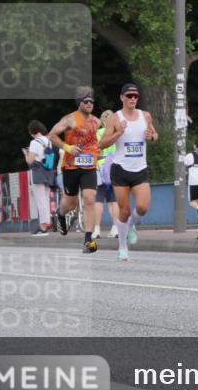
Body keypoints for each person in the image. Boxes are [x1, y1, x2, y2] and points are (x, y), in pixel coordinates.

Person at [98, 83, 158, 262]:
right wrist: (118, 133)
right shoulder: (114, 119)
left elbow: (154, 135)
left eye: (135, 96)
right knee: (123, 211)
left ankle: (131, 226)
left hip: (140, 168)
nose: (132, 99)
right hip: (120, 169)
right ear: (122, 97)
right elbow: (102, 144)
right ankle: (122, 248)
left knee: (142, 207)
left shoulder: (145, 115)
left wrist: (152, 137)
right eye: (129, 96)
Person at [48, 87, 101, 253]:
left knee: (89, 198)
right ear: (79, 102)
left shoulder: (97, 122)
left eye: (92, 101)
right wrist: (67, 147)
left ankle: (88, 240)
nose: (89, 103)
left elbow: (97, 141)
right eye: (86, 101)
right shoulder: (70, 119)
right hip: (71, 166)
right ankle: (61, 214)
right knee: (71, 203)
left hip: (89, 166)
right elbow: (51, 135)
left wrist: (98, 150)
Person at [22, 121, 55, 235]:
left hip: (38, 171)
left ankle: (43, 226)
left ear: (32, 131)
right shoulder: (48, 141)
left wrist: (26, 153)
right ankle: (46, 222)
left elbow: (30, 161)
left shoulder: (34, 142)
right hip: (48, 171)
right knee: (45, 199)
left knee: (40, 200)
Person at [92, 109, 119, 240]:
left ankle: (96, 229)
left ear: (102, 121)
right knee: (114, 200)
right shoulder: (118, 133)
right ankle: (115, 228)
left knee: (98, 199)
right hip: (116, 166)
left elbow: (95, 152)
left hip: (101, 166)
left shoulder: (98, 133)